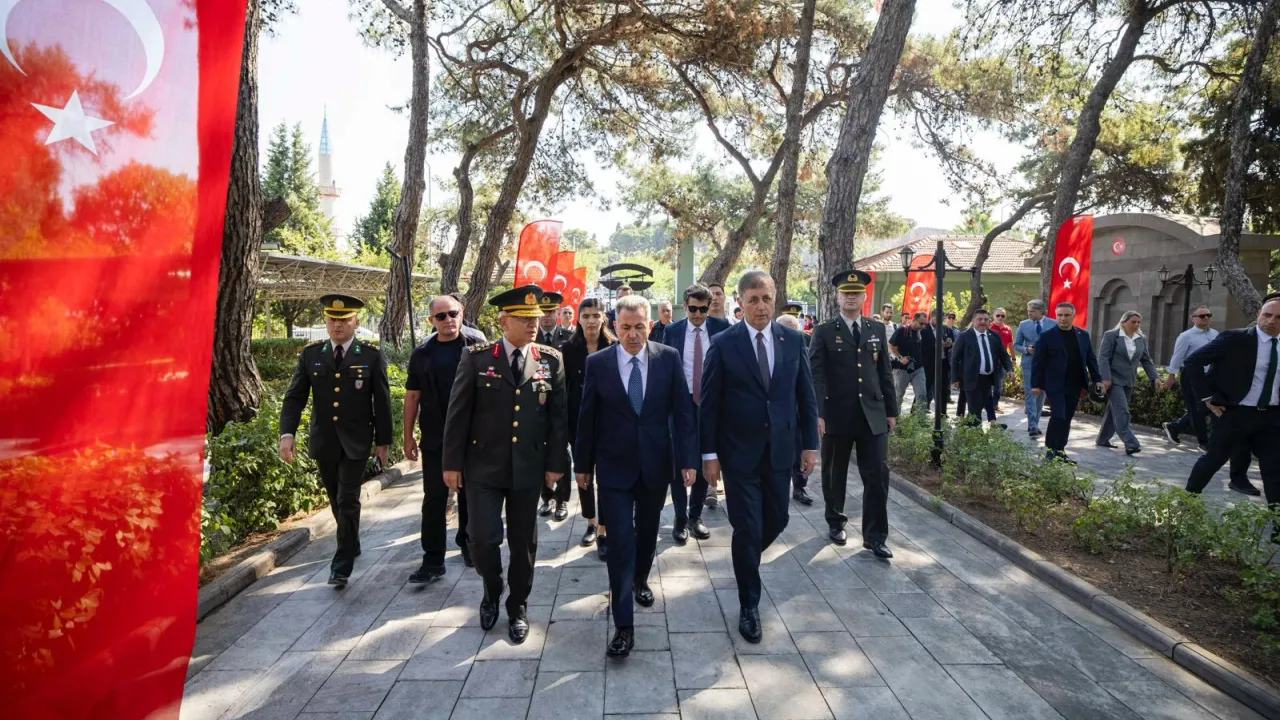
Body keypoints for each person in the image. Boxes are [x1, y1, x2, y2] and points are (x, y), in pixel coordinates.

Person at [442, 285, 569, 643]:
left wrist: (556, 463)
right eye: (524, 318)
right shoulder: (477, 358)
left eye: (535, 317)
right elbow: (458, 414)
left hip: (528, 466)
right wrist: (451, 464)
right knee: (482, 538)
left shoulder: (550, 359)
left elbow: (558, 418)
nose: (533, 324)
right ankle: (491, 589)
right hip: (483, 465)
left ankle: (518, 606)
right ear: (503, 321)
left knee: (523, 542)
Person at [575, 295, 697, 657]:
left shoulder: (668, 358)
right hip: (613, 468)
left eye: (639, 327)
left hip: (656, 465)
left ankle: (641, 577)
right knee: (619, 543)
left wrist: (688, 459)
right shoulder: (598, 363)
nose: (632, 334)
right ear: (614, 326)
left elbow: (683, 413)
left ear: (650, 325)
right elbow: (587, 418)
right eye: (625, 327)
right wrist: (582, 465)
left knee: (646, 533)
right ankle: (623, 626)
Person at [701, 271, 818, 644]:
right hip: (739, 454)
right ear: (740, 303)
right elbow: (709, 404)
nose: (761, 306)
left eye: (766, 298)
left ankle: (744, 558)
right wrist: (709, 454)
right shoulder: (724, 344)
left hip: (781, 450)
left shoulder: (793, 340)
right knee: (749, 527)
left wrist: (810, 445)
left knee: (778, 519)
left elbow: (806, 396)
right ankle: (749, 604)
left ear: (774, 297)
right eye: (753, 299)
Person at [279, 294, 392, 589]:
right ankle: (351, 541)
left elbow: (381, 402)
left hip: (357, 440)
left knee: (347, 499)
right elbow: (295, 397)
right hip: (325, 440)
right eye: (332, 319)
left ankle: (341, 565)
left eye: (344, 319)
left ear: (355, 321)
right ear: (326, 321)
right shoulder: (311, 355)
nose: (337, 325)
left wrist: (383, 442)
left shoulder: (370, 355)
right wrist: (287, 433)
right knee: (335, 498)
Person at [809, 270, 897, 553]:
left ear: (863, 297)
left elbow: (885, 373)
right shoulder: (824, 331)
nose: (850, 297)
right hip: (837, 413)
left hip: (873, 414)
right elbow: (816, 375)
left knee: (878, 474)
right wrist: (818, 412)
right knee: (835, 473)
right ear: (837, 297)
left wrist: (891, 410)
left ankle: (876, 536)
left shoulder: (876, 329)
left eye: (856, 293)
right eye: (846, 293)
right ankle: (836, 522)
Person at [404, 294, 487, 584]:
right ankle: (432, 560)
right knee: (435, 498)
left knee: (469, 495)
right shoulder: (422, 353)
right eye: (441, 316)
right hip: (435, 436)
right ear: (432, 320)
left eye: (453, 313)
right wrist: (407, 436)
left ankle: (468, 545)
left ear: (461, 312)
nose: (448, 320)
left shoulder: (477, 345)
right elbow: (412, 396)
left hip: (472, 436)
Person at [1181, 292, 1280, 514]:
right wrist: (1207, 398)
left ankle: (1277, 523)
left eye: (1278, 318)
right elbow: (1192, 362)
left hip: (1272, 417)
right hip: (1235, 413)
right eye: (1267, 315)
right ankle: (1186, 505)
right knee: (1213, 460)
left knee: (1274, 470)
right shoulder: (1235, 339)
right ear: (1259, 314)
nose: (1271, 321)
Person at [659, 284, 730, 543]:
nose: (697, 314)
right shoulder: (672, 331)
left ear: (709, 307)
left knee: (704, 458)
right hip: (681, 403)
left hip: (711, 403)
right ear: (685, 306)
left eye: (702, 309)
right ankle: (679, 519)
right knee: (679, 460)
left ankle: (695, 516)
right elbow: (665, 366)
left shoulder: (722, 328)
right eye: (692, 309)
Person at [1162, 306, 1257, 495]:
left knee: (1205, 409)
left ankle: (1175, 426)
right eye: (1202, 316)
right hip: (1191, 376)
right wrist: (1171, 376)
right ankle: (1203, 441)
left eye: (1208, 315)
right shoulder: (1186, 336)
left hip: (1211, 378)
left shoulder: (1215, 334)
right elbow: (1180, 357)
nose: (1206, 318)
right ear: (1193, 318)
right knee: (1198, 408)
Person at [559, 298, 616, 554]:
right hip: (578, 422)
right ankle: (591, 522)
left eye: (596, 315)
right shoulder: (567, 350)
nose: (591, 321)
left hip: (608, 422)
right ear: (578, 319)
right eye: (586, 316)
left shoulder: (614, 346)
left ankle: (604, 527)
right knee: (583, 473)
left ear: (603, 318)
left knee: (605, 475)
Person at [1030, 302, 1104, 464]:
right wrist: (1035, 384)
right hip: (1055, 384)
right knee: (1058, 415)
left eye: (1066, 315)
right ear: (1056, 316)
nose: (1062, 318)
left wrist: (1097, 379)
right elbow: (1038, 362)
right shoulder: (1047, 336)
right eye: (1059, 315)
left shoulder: (1082, 335)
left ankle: (1060, 451)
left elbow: (1091, 359)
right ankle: (1051, 451)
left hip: (1075, 383)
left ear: (1073, 316)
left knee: (1067, 418)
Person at [1095, 311, 1158, 456]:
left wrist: (1154, 377)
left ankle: (1103, 439)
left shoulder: (1141, 338)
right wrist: (1105, 378)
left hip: (1129, 381)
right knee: (1122, 411)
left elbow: (1146, 360)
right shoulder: (1111, 335)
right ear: (1123, 322)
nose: (1136, 325)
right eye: (1133, 322)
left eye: (1138, 322)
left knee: (1114, 410)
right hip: (1113, 380)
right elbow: (1103, 358)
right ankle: (1131, 443)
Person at [534, 292, 573, 520]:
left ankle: (562, 500)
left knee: (561, 451)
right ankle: (546, 497)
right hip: (536, 405)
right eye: (543, 312)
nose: (546, 316)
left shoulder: (569, 337)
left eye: (550, 312)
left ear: (557, 313)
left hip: (562, 404)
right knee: (539, 452)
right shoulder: (531, 336)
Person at [950, 308, 1012, 427]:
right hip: (971, 378)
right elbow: (955, 358)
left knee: (979, 406)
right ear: (973, 321)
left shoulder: (994, 335)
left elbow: (1003, 355)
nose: (983, 322)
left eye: (985, 319)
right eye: (980, 319)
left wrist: (1009, 369)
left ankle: (967, 427)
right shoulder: (965, 336)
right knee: (975, 407)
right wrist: (955, 378)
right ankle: (977, 434)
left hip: (988, 378)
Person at [777, 313, 814, 505]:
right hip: (778, 414)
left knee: (800, 449)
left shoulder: (803, 345)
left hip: (798, 411)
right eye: (786, 328)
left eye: (794, 328)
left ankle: (799, 487)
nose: (790, 332)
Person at [1014, 300, 1049, 438]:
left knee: (1041, 394)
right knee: (1030, 393)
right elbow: (1016, 345)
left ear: (1041, 311)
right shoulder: (1023, 324)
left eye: (1032, 311)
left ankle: (1036, 422)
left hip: (1047, 364)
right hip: (1029, 363)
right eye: (1028, 311)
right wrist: (1026, 349)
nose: (1029, 313)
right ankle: (1032, 425)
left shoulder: (1053, 324)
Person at [889, 311, 928, 414]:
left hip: (918, 368)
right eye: (921, 323)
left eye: (925, 324)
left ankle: (920, 419)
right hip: (902, 369)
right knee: (898, 395)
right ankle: (895, 418)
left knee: (922, 394)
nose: (923, 326)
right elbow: (891, 345)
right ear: (914, 320)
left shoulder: (921, 332)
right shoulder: (902, 330)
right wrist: (900, 357)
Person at [920, 308, 955, 413]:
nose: (940, 322)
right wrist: (937, 345)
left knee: (943, 388)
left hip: (943, 362)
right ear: (932, 317)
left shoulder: (946, 329)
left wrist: (949, 344)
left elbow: (951, 341)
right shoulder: (923, 329)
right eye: (938, 319)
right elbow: (920, 346)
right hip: (928, 363)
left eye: (942, 320)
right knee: (925, 388)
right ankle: (918, 412)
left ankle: (942, 413)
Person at [990, 308, 1014, 417]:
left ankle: (994, 404)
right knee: (987, 384)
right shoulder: (989, 327)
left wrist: (1013, 358)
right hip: (990, 360)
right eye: (998, 315)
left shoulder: (1007, 329)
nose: (1000, 317)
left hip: (1001, 362)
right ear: (993, 316)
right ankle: (986, 404)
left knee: (998, 385)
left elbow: (1010, 344)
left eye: (1003, 316)